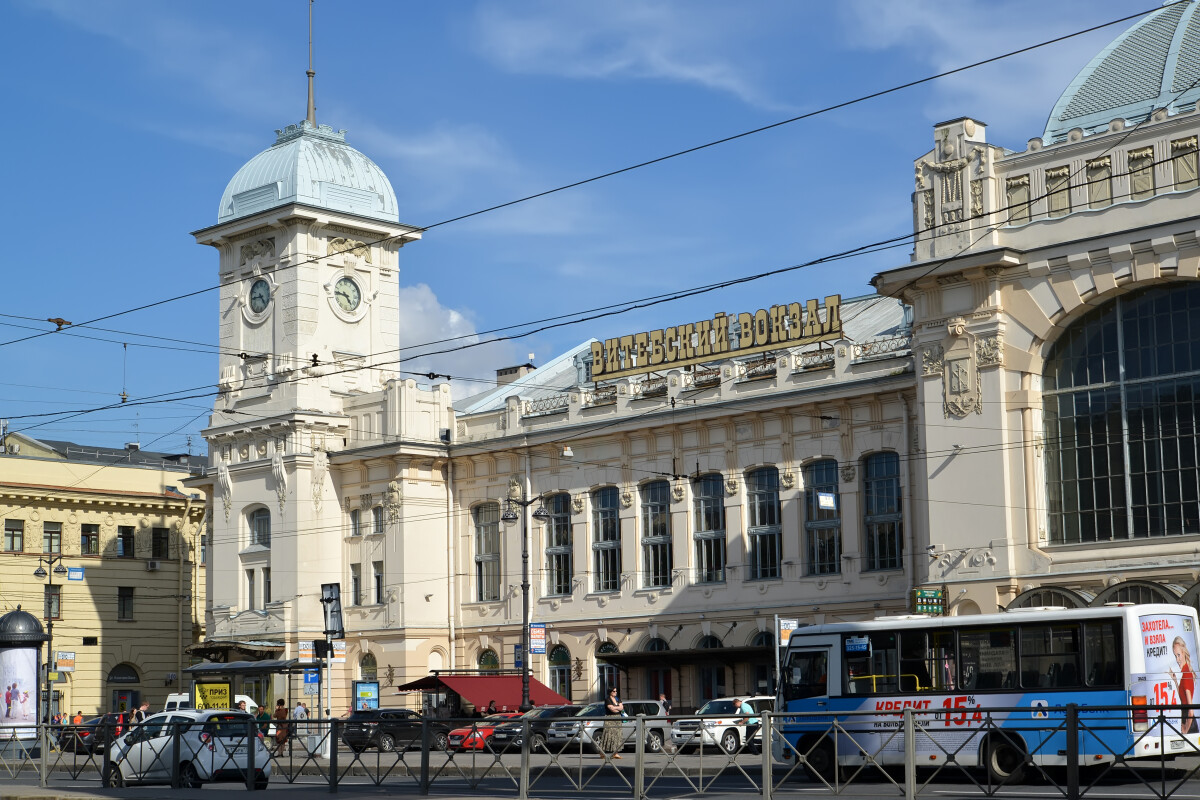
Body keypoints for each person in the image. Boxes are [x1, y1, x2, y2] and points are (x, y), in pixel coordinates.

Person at [1170, 636, 1196, 734]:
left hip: (1189, 723)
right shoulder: (1185, 674)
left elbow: (1191, 710)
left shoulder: (1187, 675)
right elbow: (1183, 698)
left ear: (1184, 653)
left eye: (1179, 655)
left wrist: (1185, 729)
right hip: (1186, 718)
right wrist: (1175, 680)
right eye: (1175, 656)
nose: (1177, 659)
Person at [603, 686, 625, 759]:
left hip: (618, 719)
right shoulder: (607, 699)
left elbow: (621, 708)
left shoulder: (618, 699)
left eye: (616, 691)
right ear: (610, 692)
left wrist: (616, 708)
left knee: (617, 735)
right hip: (610, 719)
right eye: (614, 691)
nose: (615, 692)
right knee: (608, 735)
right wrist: (617, 708)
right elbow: (612, 709)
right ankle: (602, 751)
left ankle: (615, 753)